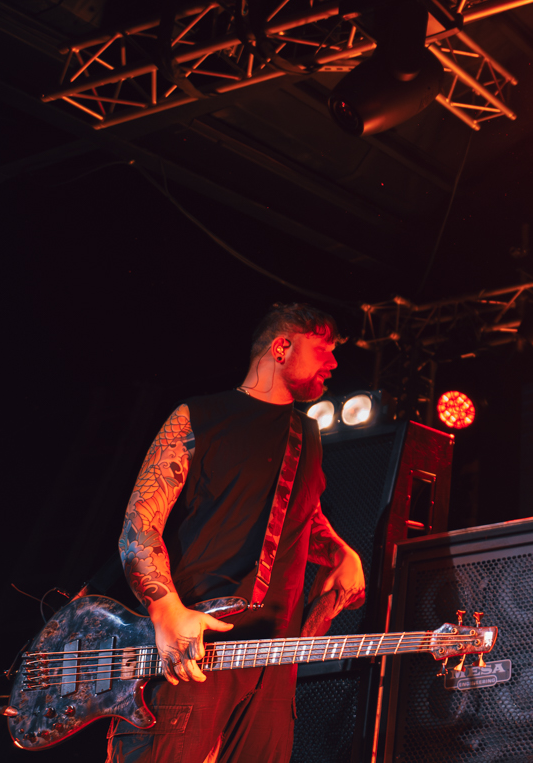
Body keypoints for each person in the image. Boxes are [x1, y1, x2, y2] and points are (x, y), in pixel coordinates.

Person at [106, 302, 368, 763]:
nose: (333, 363)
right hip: (196, 646)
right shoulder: (199, 415)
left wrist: (343, 554)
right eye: (322, 349)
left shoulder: (307, 434)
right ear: (281, 347)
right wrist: (166, 610)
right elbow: (139, 523)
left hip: (272, 662)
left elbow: (304, 517)